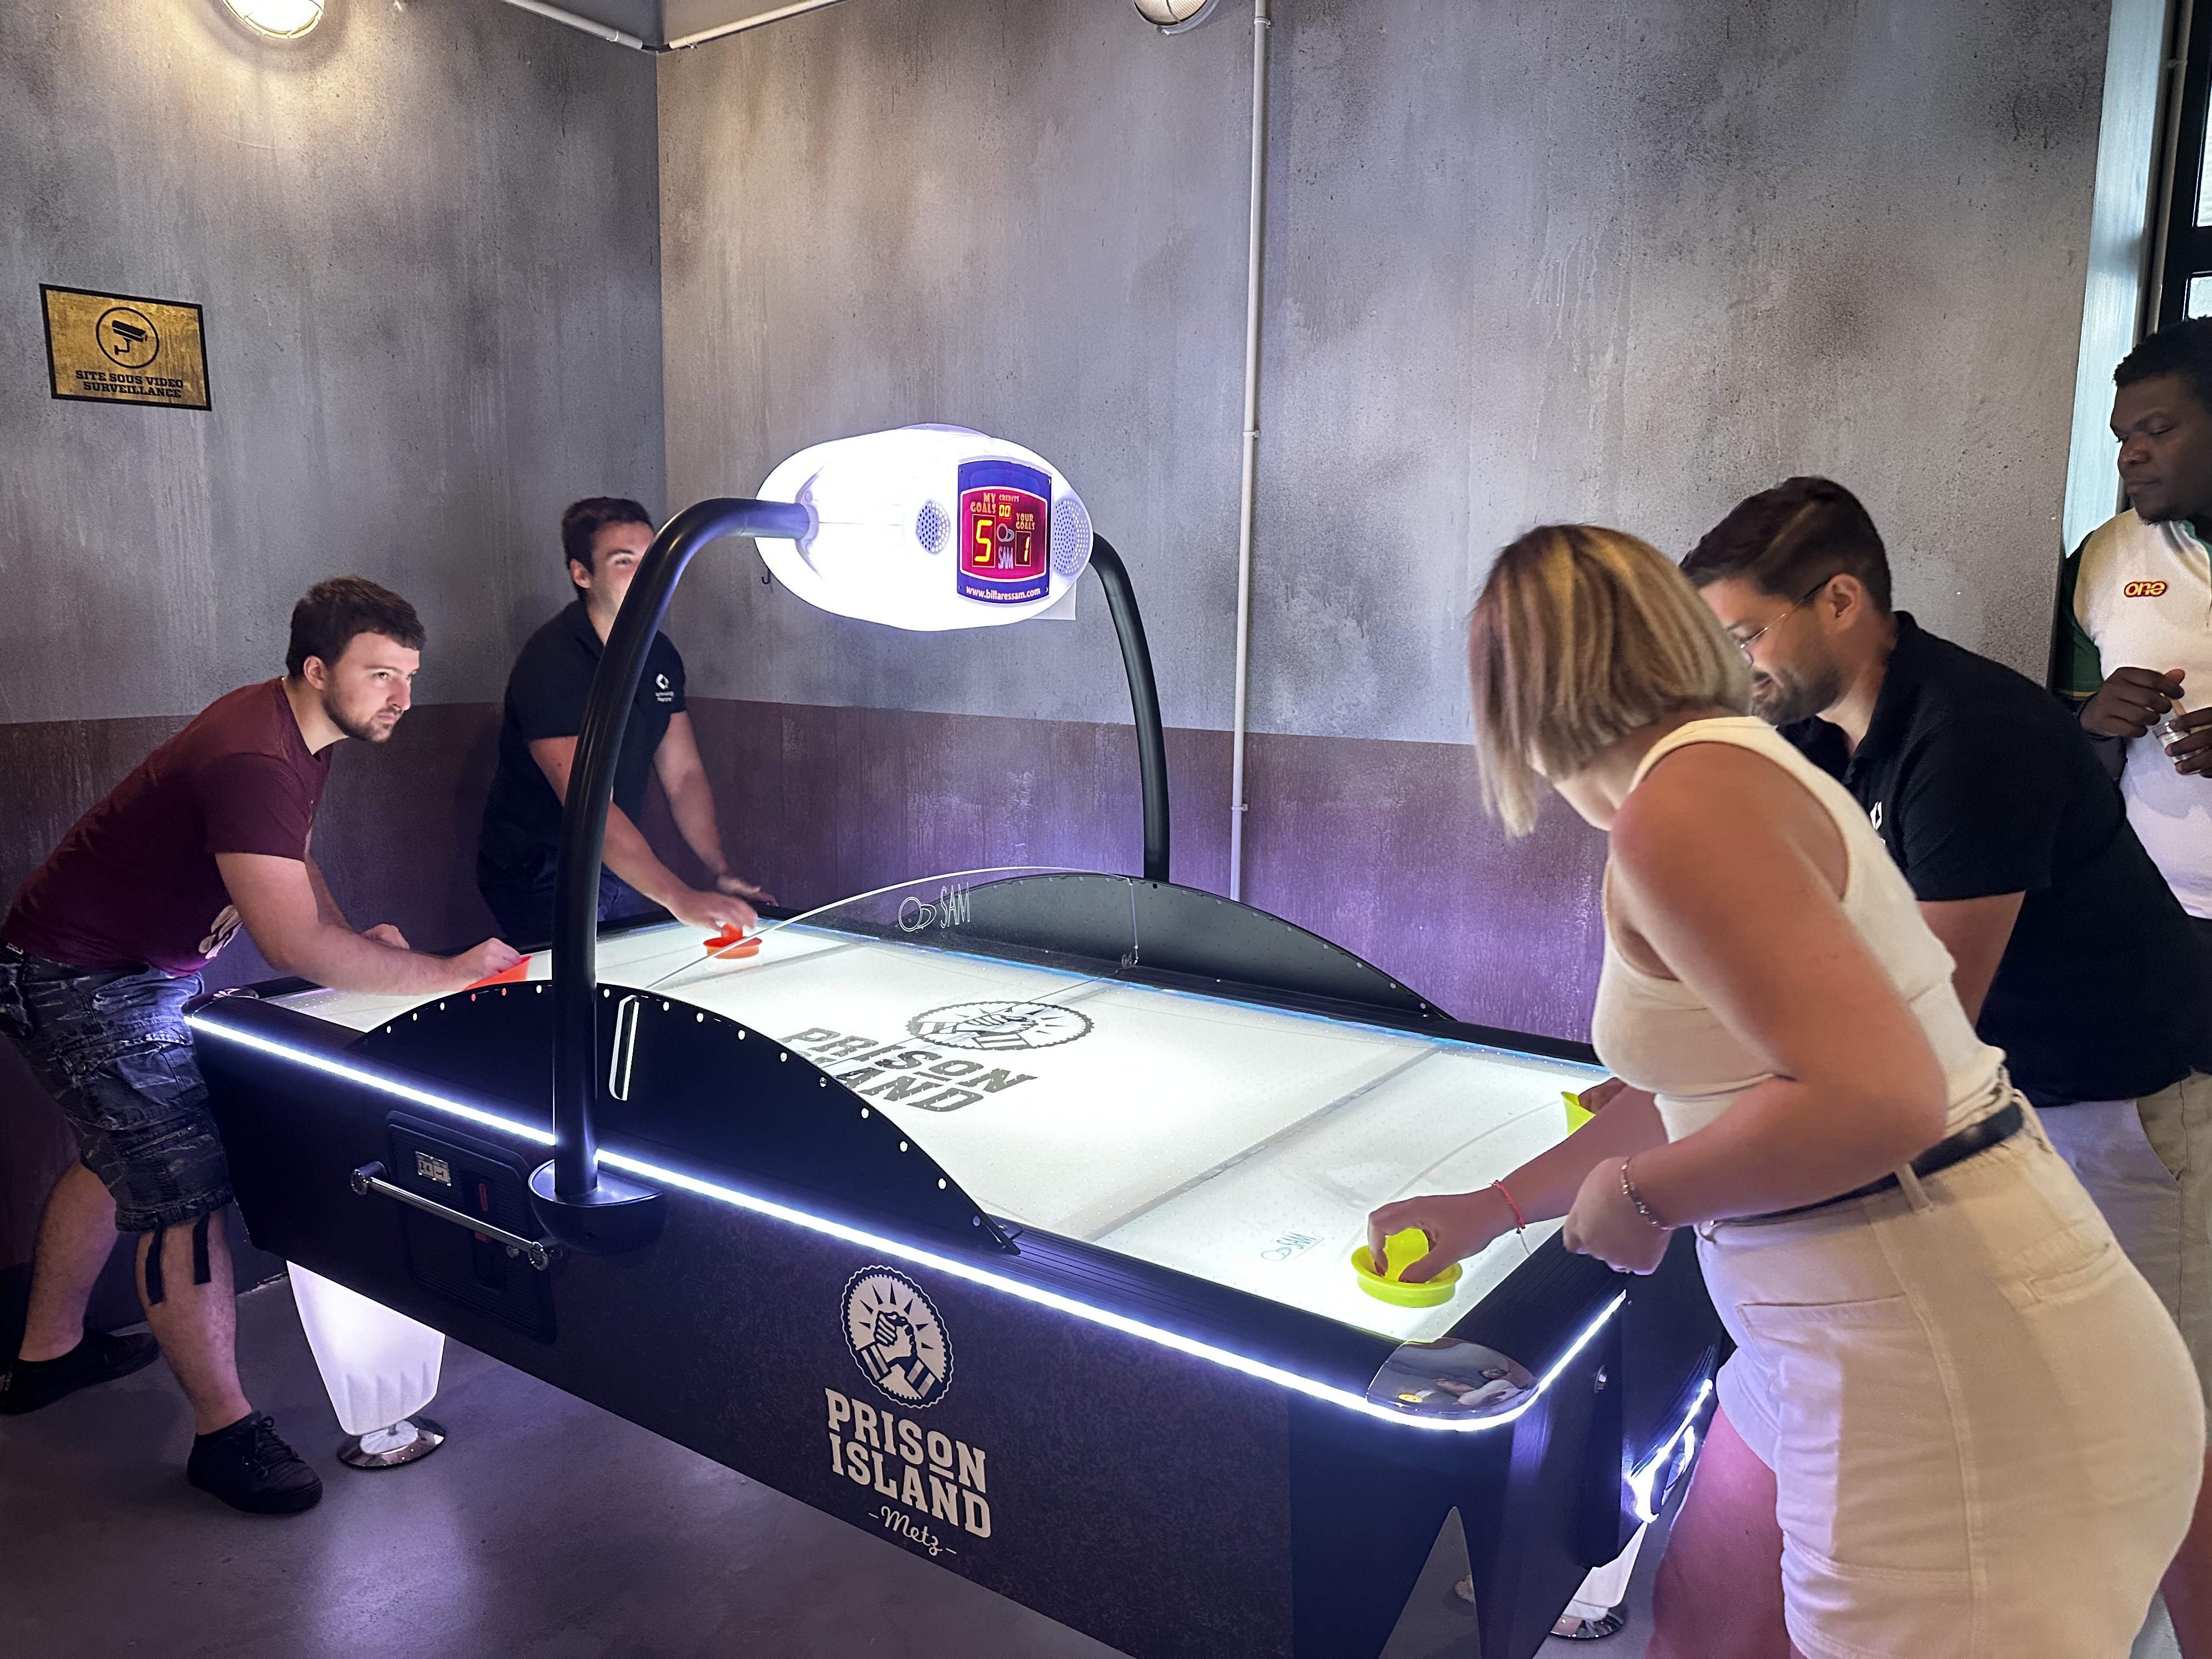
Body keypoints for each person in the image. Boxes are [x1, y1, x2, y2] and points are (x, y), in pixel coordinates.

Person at [1367, 525, 2200, 1658]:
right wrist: (1495, 1208)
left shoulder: (1681, 808)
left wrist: (1644, 1194)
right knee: (1707, 1615)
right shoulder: (1732, 769)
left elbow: (1882, 1098)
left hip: (1930, 1344)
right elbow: (1719, 1078)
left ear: (1518, 694)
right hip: (1839, 1317)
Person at [1677, 476, 2212, 1655]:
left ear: (1840, 600)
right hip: (1998, 1110)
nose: (1733, 669)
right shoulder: (1812, 739)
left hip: (2125, 1103)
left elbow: (1918, 1029)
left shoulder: (1968, 732)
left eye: (1746, 635)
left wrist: (1682, 1159)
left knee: (2176, 1439)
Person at [0, 579, 523, 1515]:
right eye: (381, 675)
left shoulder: (296, 733)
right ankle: (224, 1432)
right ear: (317, 669)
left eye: (409, 675)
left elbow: (291, 861)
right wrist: (442, 972)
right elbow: (287, 943)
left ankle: (47, 1356)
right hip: (81, 977)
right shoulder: (252, 753)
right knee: (183, 1191)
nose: (402, 697)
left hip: (134, 969)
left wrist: (352, 938)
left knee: (118, 1153)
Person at [476, 497, 769, 946]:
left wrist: (719, 869)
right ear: (582, 574)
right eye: (624, 561)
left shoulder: (660, 653)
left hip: (613, 860)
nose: (647, 575)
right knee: (581, 977)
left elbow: (684, 775)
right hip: (539, 867)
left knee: (629, 965)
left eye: (652, 560)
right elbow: (591, 803)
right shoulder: (552, 663)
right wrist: (678, 896)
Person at [2056, 318, 2212, 939]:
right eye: (2123, 437)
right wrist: (2093, 723)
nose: (2130, 455)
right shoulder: (2102, 558)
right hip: (2152, 912)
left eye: (2159, 430)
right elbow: (2074, 766)